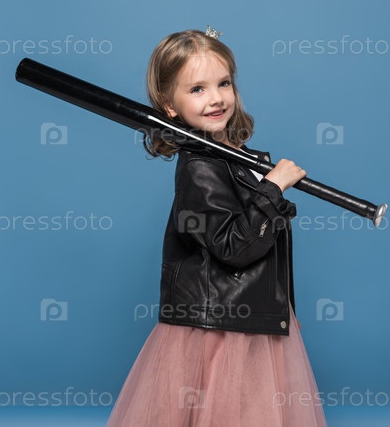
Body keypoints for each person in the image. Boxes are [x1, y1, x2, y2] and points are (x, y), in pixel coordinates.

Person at [106, 28, 327, 427]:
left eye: (224, 83)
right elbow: (234, 248)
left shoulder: (235, 158)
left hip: (251, 317)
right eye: (197, 89)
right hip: (220, 327)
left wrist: (286, 306)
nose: (216, 98)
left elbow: (266, 244)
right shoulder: (200, 168)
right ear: (169, 105)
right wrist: (273, 189)